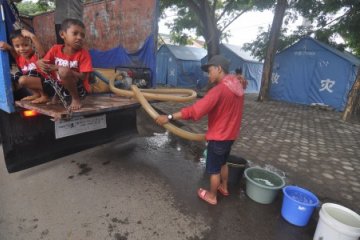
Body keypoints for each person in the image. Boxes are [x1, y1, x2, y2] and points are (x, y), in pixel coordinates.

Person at [155, 55, 245, 205]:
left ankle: (212, 196)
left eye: (210, 70)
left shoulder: (219, 90)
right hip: (230, 136)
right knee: (224, 163)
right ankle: (224, 187)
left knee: (214, 169)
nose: (208, 74)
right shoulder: (237, 86)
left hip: (218, 137)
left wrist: (169, 116)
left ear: (219, 69)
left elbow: (195, 111)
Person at [37, 18, 93, 110]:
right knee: (26, 78)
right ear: (62, 34)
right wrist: (40, 63)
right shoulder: (55, 49)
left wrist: (58, 67)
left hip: (79, 89)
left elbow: (83, 77)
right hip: (59, 85)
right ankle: (56, 95)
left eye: (82, 35)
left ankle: (76, 99)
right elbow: (45, 66)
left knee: (63, 71)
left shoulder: (84, 54)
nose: (79, 37)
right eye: (75, 33)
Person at [0, 29, 51, 103]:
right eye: (17, 46)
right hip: (38, 83)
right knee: (17, 76)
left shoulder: (36, 56)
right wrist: (8, 47)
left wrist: (32, 36)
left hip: (48, 84)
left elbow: (42, 54)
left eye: (25, 45)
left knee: (25, 78)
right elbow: (13, 51)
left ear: (32, 44)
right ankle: (36, 94)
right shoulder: (20, 59)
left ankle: (45, 96)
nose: (21, 49)